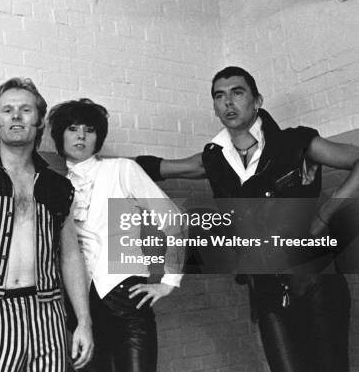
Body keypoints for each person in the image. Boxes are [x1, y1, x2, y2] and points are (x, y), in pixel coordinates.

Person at [136, 66, 359, 372]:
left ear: (257, 100)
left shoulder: (297, 143)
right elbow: (161, 167)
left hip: (316, 281)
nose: (228, 101)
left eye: (237, 92)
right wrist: (109, 165)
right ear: (214, 107)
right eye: (219, 95)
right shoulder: (213, 159)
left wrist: (325, 212)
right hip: (266, 290)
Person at [0, 78, 93, 372]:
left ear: (39, 121)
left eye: (25, 109)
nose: (16, 116)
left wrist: (84, 321)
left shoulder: (58, 186)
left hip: (48, 313)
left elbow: (71, 256)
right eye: (7, 110)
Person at [47, 99, 184, 372]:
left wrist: (169, 281)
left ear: (98, 137)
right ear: (60, 134)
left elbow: (174, 219)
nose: (81, 136)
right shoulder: (55, 186)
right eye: (73, 128)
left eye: (90, 129)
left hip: (127, 301)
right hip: (80, 308)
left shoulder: (122, 169)